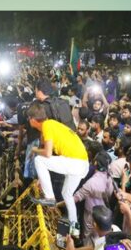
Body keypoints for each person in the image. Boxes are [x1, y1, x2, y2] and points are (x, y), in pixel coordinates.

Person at [27, 103, 89, 236]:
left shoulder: (47, 125)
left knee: (39, 159)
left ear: (32, 119)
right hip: (82, 164)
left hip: (75, 162)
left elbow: (48, 153)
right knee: (67, 194)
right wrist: (41, 180)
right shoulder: (52, 124)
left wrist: (34, 150)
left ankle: (49, 197)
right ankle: (75, 230)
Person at [72, 151, 113, 241]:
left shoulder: (91, 183)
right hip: (103, 216)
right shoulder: (109, 179)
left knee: (88, 237)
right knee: (99, 239)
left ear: (95, 163)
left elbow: (75, 198)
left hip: (90, 215)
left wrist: (59, 204)